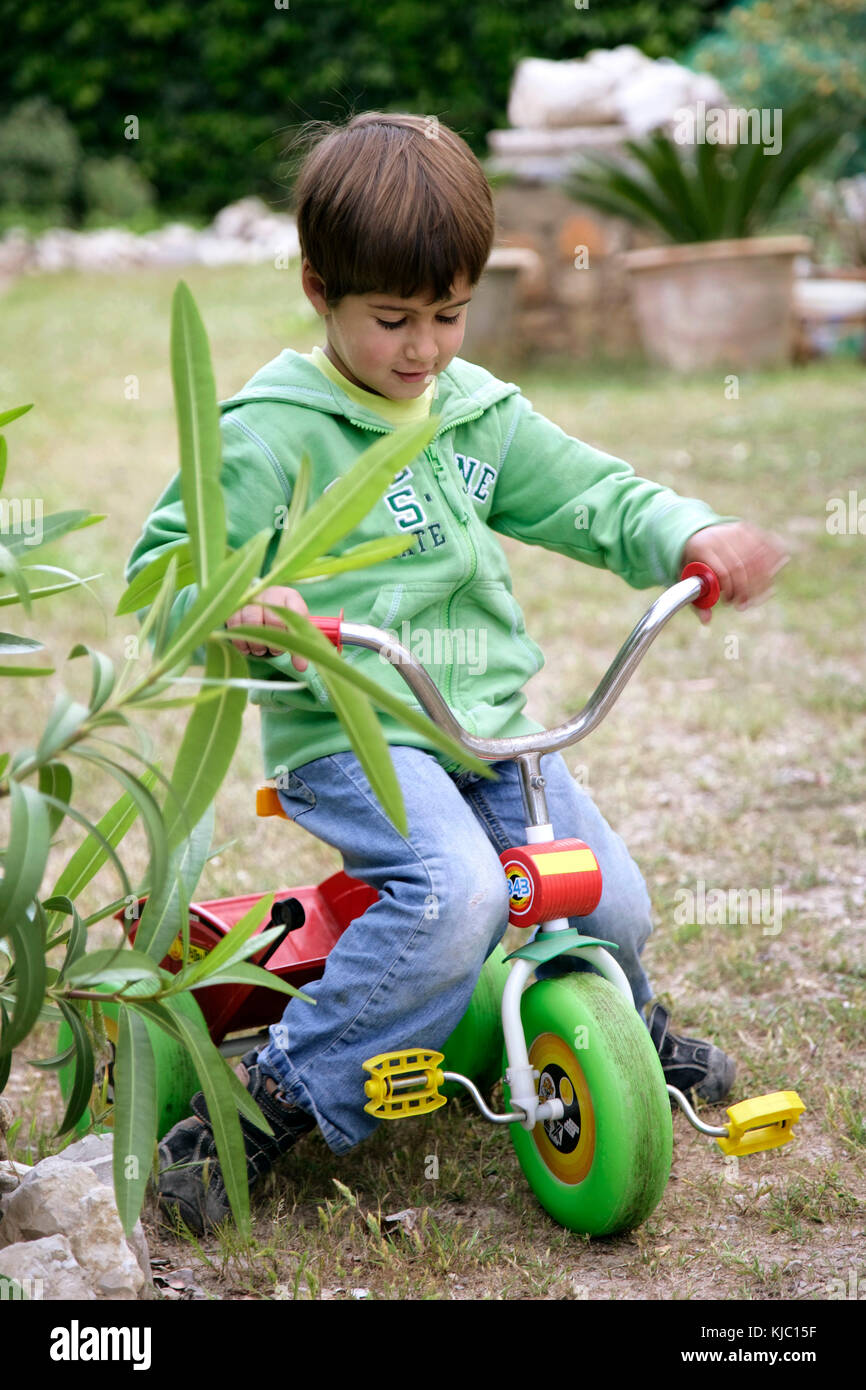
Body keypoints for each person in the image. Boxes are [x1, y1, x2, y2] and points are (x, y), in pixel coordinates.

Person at [126, 112, 787, 1234]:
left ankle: (621, 1021)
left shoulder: (474, 411)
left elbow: (593, 494)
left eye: (446, 313)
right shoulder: (270, 432)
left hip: (485, 726)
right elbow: (164, 574)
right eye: (390, 319)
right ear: (318, 288)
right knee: (458, 894)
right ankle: (269, 1099)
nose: (422, 347)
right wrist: (237, 609)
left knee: (607, 893)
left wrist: (689, 529)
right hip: (354, 727)